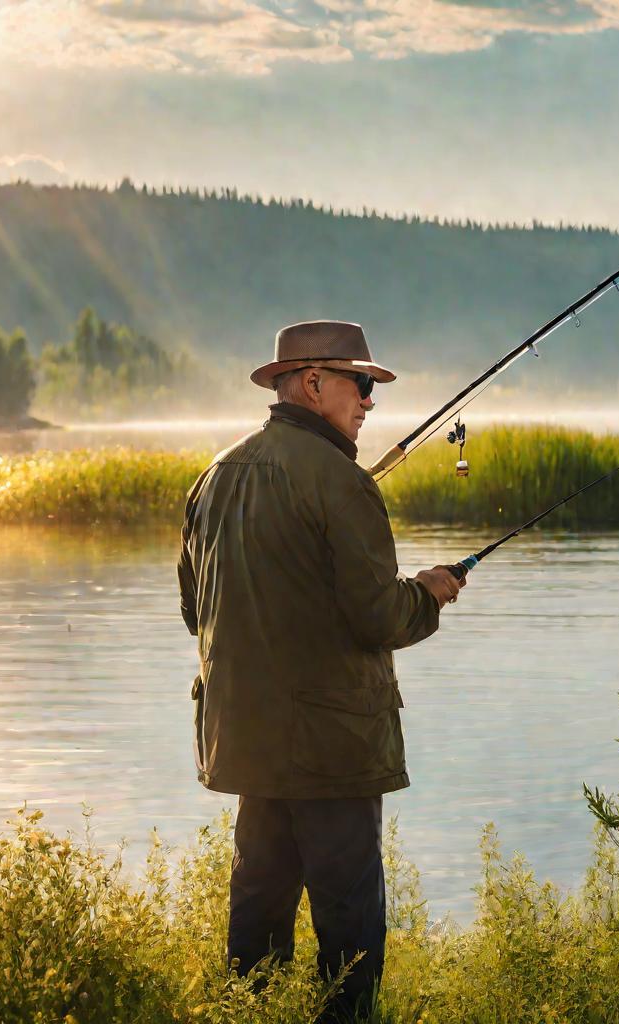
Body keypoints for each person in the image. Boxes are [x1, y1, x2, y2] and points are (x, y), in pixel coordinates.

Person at [177, 320, 464, 1021]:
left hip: (245, 739)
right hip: (332, 750)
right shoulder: (342, 484)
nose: (370, 401)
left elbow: (196, 612)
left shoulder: (212, 477)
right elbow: (378, 619)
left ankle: (251, 1014)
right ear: (312, 383)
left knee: (259, 907)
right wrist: (427, 594)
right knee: (349, 923)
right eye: (361, 384)